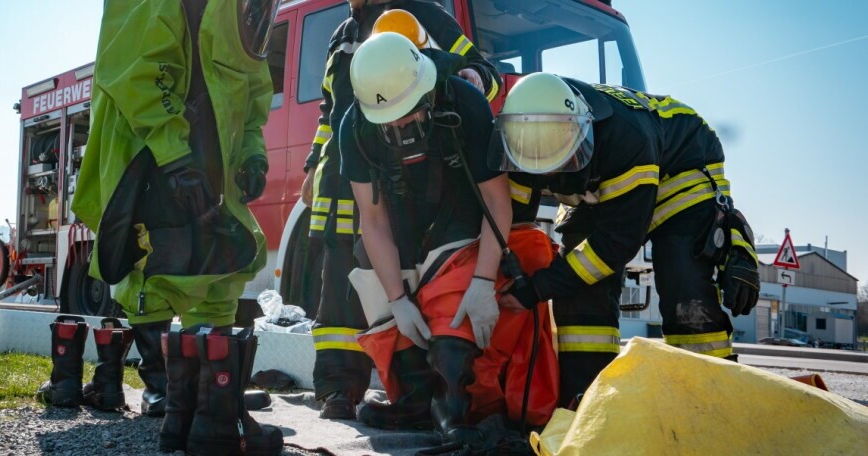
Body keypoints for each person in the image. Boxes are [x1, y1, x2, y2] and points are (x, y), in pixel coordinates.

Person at [70, 0, 283, 454]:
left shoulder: (245, 13)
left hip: (208, 158)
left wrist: (252, 155)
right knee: (158, 261)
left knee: (220, 264)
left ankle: (204, 405)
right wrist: (174, 154)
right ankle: (171, 392)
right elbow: (137, 73)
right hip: (152, 155)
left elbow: (251, 90)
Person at [491, 72, 760, 406]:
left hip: (677, 169)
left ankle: (710, 399)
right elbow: (510, 224)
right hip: (595, 191)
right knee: (578, 299)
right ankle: (586, 403)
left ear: (581, 130)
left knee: (684, 285)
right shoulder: (518, 140)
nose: (548, 177)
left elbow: (614, 245)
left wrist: (535, 289)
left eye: (558, 164)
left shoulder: (626, 138)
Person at [339, 33, 553, 448]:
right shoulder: (355, 127)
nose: (400, 127)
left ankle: (453, 405)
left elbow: (495, 199)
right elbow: (373, 217)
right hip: (400, 218)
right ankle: (416, 400)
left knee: (453, 294)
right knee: (372, 270)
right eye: (390, 121)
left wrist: (482, 282)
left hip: (459, 213)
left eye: (407, 115)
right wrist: (398, 301)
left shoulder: (463, 102)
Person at [302, 1, 502, 420]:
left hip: (416, 166)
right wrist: (312, 163)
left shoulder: (420, 13)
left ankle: (445, 395)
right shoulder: (343, 34)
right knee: (342, 280)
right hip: (351, 168)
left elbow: (482, 70)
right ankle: (341, 390)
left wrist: (473, 81)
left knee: (430, 271)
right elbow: (331, 110)